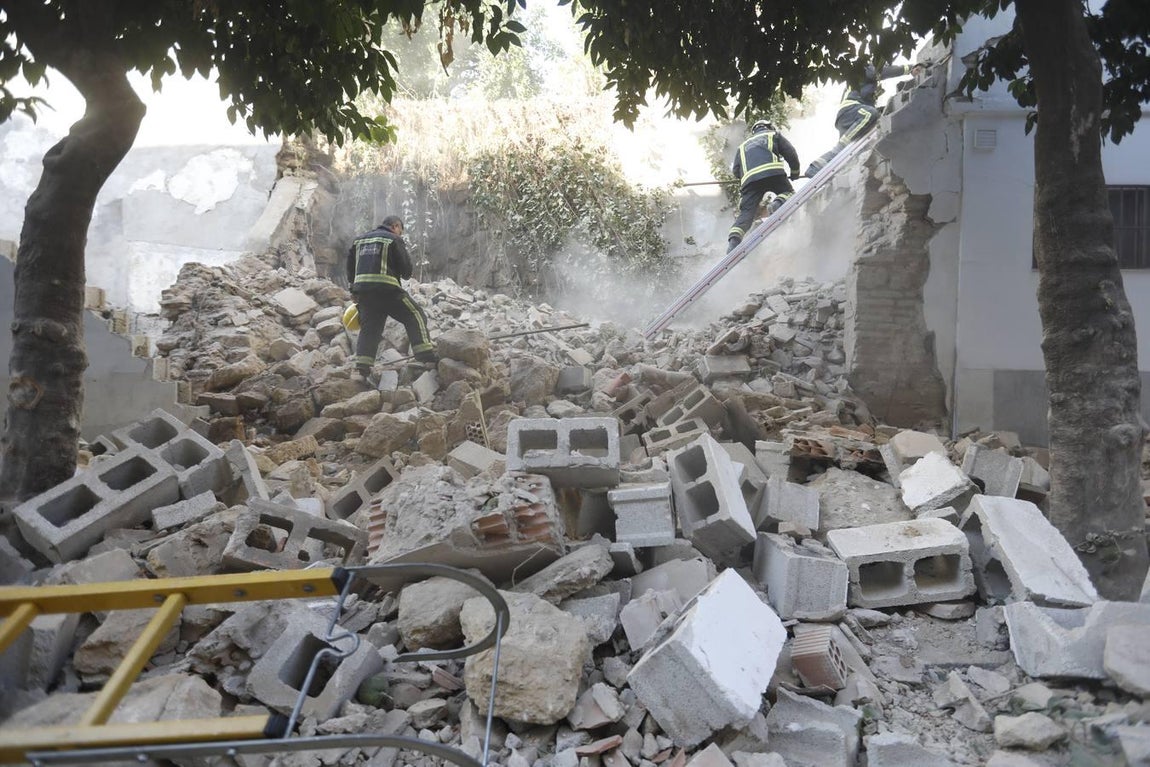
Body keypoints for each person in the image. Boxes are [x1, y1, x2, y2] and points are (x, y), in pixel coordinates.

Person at [346, 215, 437, 380]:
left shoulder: (358, 241)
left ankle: (362, 367)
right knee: (415, 315)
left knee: (370, 328)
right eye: (400, 231)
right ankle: (425, 355)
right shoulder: (393, 239)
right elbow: (406, 272)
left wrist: (353, 290)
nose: (400, 234)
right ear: (395, 226)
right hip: (387, 290)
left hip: (364, 293)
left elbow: (350, 268)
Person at [803, 63, 921, 178]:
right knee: (870, 114)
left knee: (845, 158)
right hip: (852, 110)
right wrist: (910, 68)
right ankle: (836, 151)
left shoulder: (865, 81)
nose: (884, 66)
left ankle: (815, 168)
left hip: (849, 115)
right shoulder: (865, 67)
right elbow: (881, 72)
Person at [727, 120, 801, 253]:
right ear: (769, 127)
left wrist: (750, 177)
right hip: (772, 173)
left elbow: (736, 171)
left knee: (746, 213)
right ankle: (777, 204)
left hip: (750, 181)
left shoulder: (742, 146)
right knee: (788, 192)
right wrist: (795, 173)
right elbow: (791, 153)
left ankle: (734, 241)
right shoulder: (773, 135)